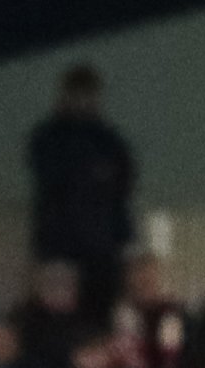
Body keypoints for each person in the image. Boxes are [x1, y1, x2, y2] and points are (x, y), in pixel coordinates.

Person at [25, 65, 137, 311]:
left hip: (101, 247)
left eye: (88, 95)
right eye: (78, 94)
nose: (83, 101)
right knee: (58, 312)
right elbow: (54, 180)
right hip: (62, 244)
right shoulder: (50, 137)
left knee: (101, 309)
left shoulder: (108, 140)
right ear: (65, 95)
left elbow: (124, 184)